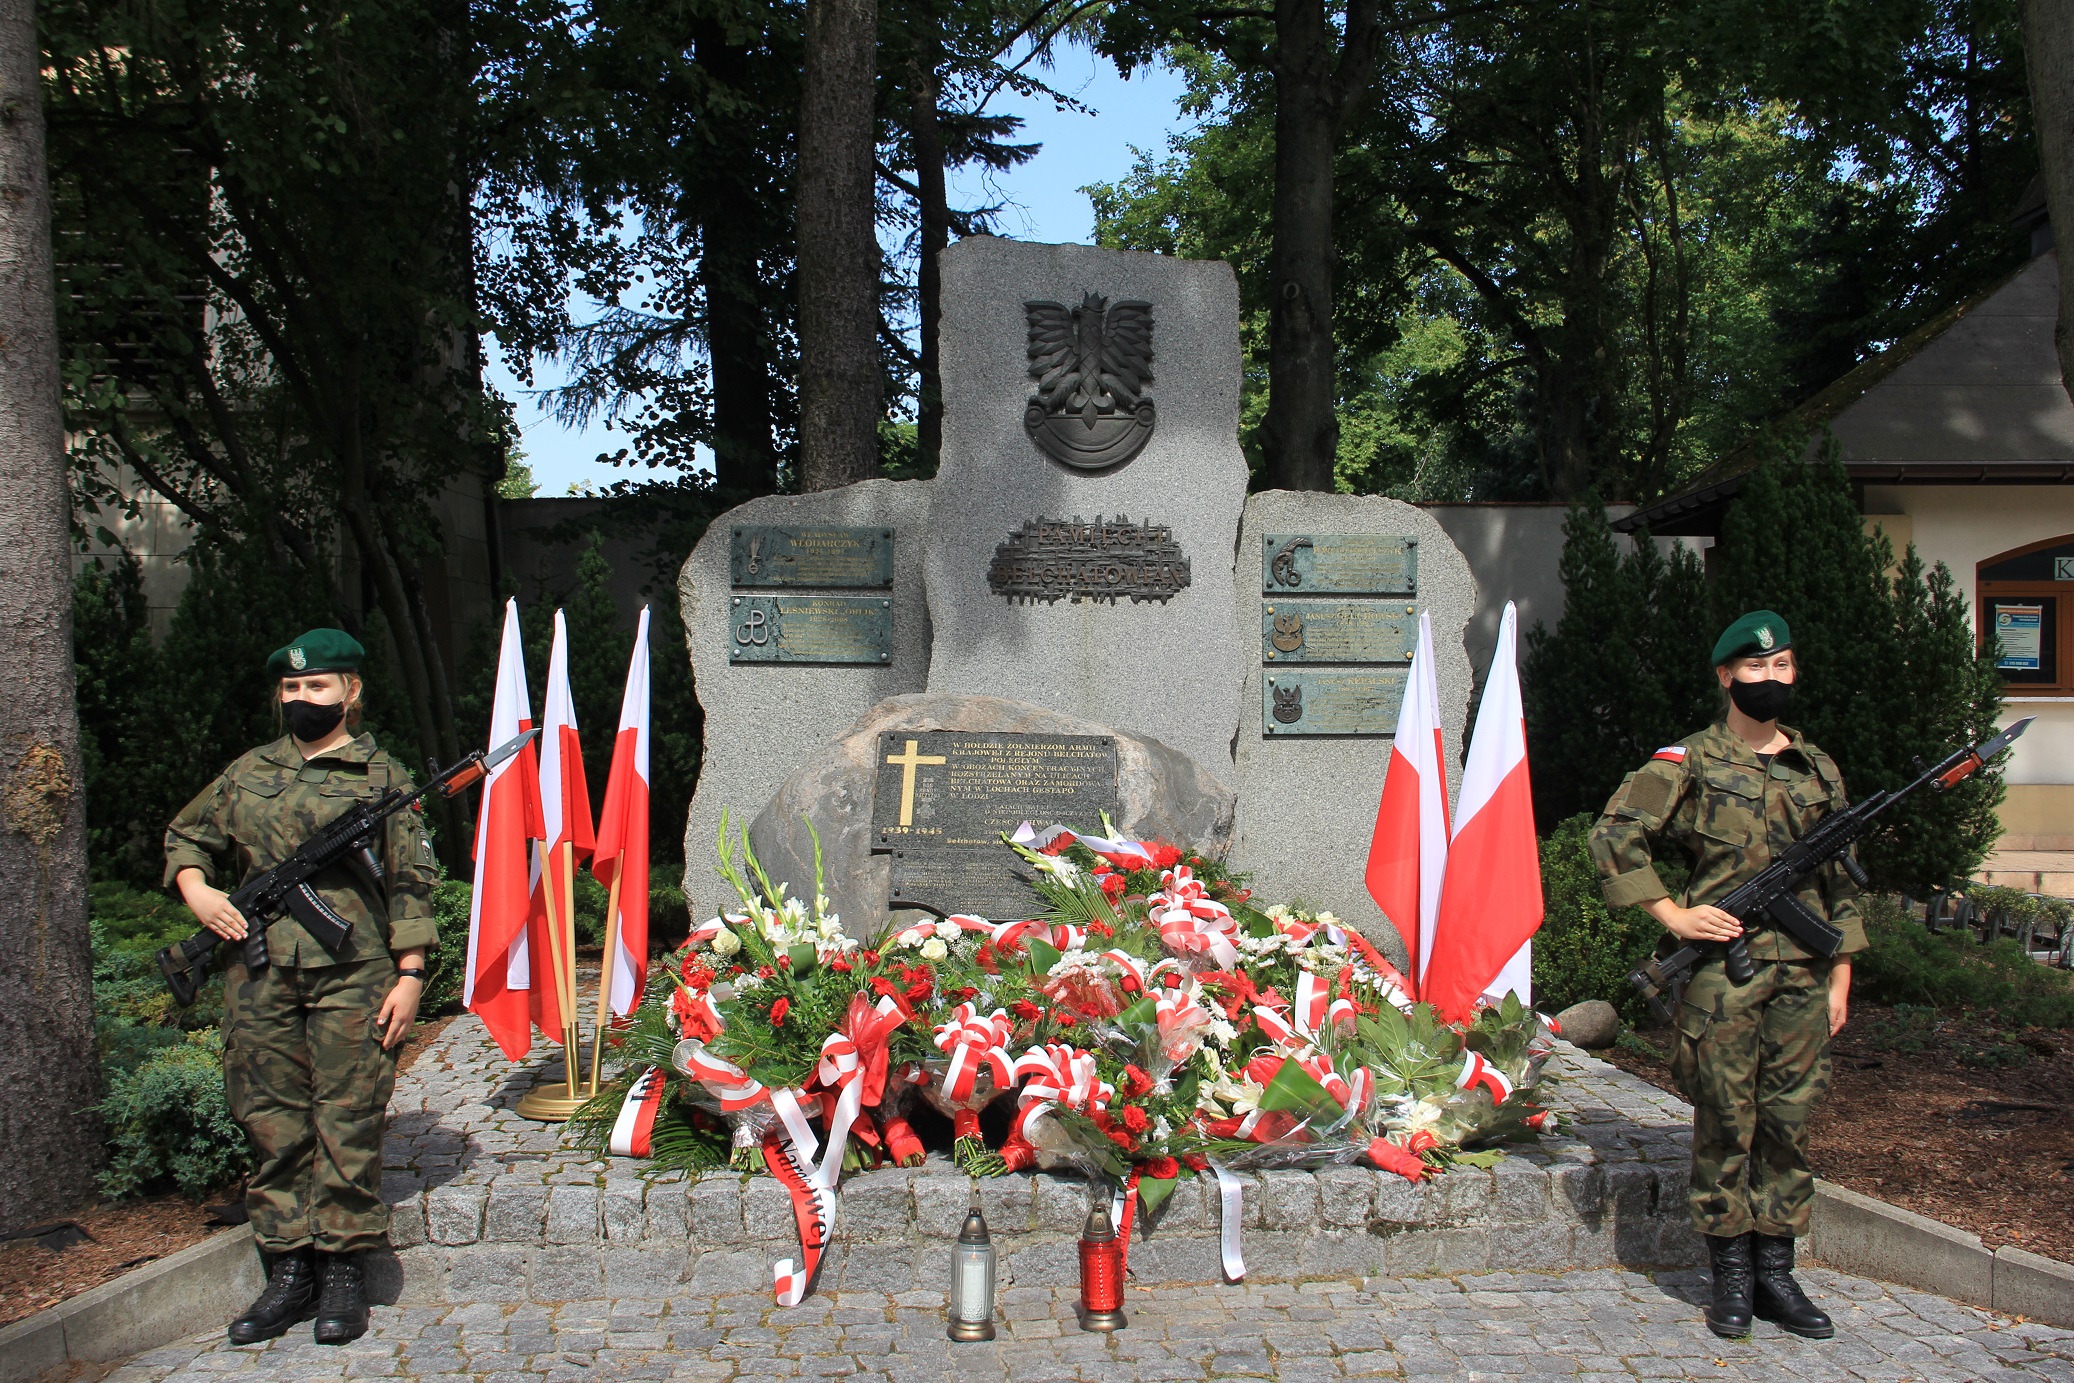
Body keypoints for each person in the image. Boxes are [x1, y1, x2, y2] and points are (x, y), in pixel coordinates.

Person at [1589, 610, 1863, 1342]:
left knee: (1788, 1122)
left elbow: (1841, 881)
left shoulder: (1817, 768)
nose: (1771, 678)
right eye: (1755, 667)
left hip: (1803, 974)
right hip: (1726, 974)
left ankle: (1778, 1273)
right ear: (1726, 675)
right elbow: (1614, 833)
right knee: (1726, 1121)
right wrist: (1673, 915)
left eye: (1782, 666)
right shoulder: (1690, 760)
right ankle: (1731, 1276)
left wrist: (1841, 971)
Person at [164, 629, 440, 1346]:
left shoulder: (381, 777)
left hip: (354, 972)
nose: (302, 697)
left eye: (317, 685)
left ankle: (343, 1268)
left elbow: (411, 883)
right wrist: (199, 892)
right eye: (291, 687)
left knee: (348, 1116)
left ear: (351, 691)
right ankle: (288, 1269)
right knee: (270, 1116)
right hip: (257, 973)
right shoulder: (248, 771)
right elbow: (187, 835)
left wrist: (411, 974)